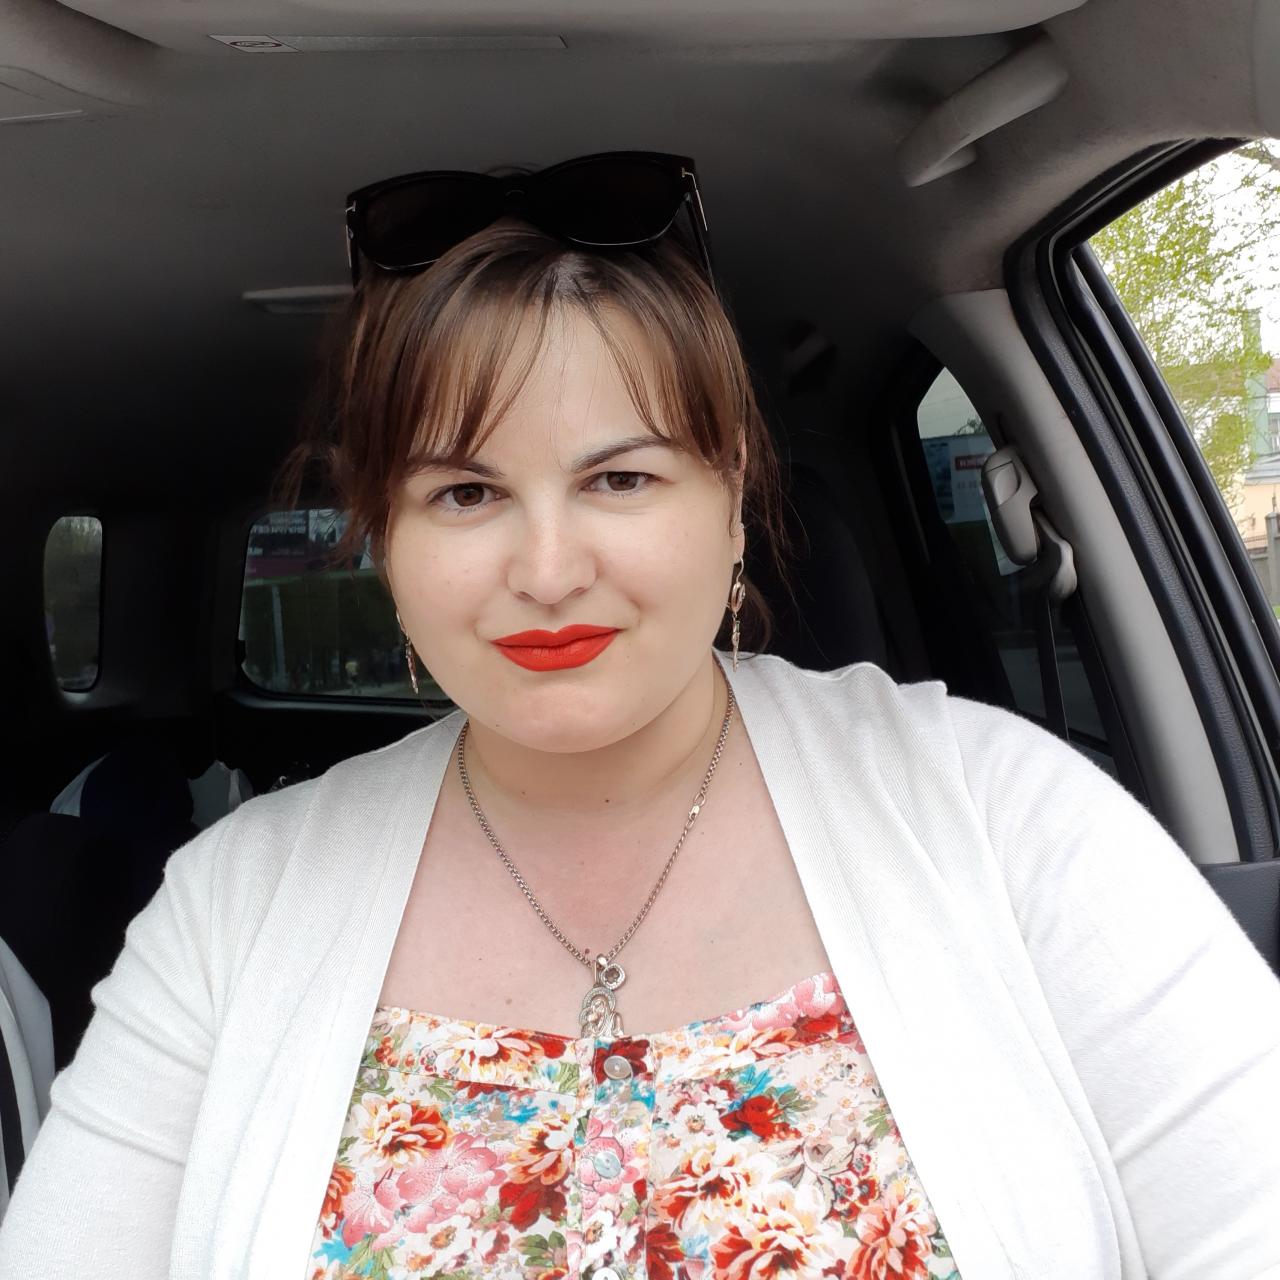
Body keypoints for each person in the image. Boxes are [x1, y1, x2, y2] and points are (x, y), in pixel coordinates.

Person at [2, 153, 1279, 1280]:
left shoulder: (1005, 817)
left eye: (618, 477)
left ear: (731, 501)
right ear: (384, 536)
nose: (547, 567)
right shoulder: (231, 908)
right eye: (463, 493)